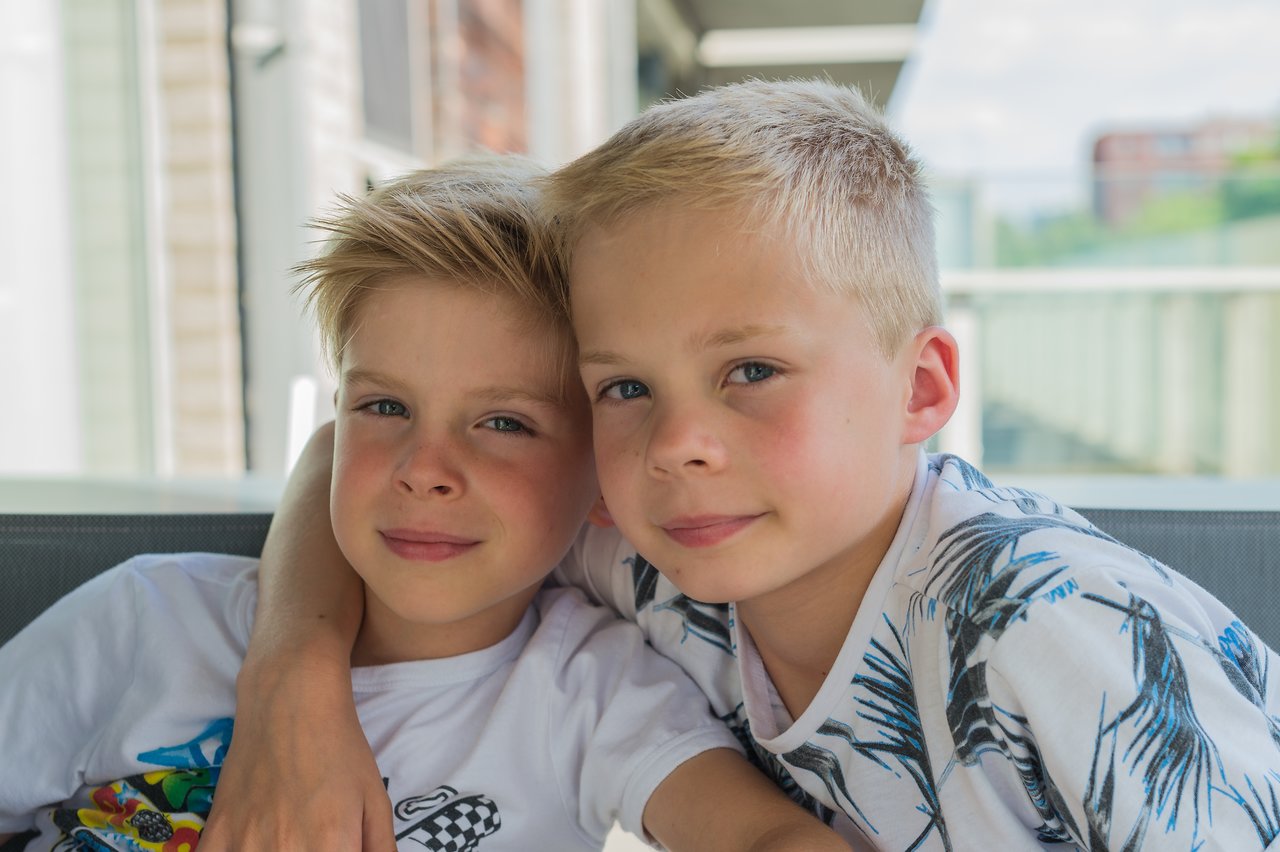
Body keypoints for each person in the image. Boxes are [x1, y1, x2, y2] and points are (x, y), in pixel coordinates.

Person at [201, 80, 1280, 851]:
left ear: (921, 389)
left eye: (751, 370)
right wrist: (291, 677)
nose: (676, 443)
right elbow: (348, 456)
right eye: (623, 388)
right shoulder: (658, 553)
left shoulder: (1050, 623)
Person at [0, 156, 849, 852]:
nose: (423, 469)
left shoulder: (584, 691)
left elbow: (761, 836)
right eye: (386, 407)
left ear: (602, 476)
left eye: (505, 422)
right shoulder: (146, 618)